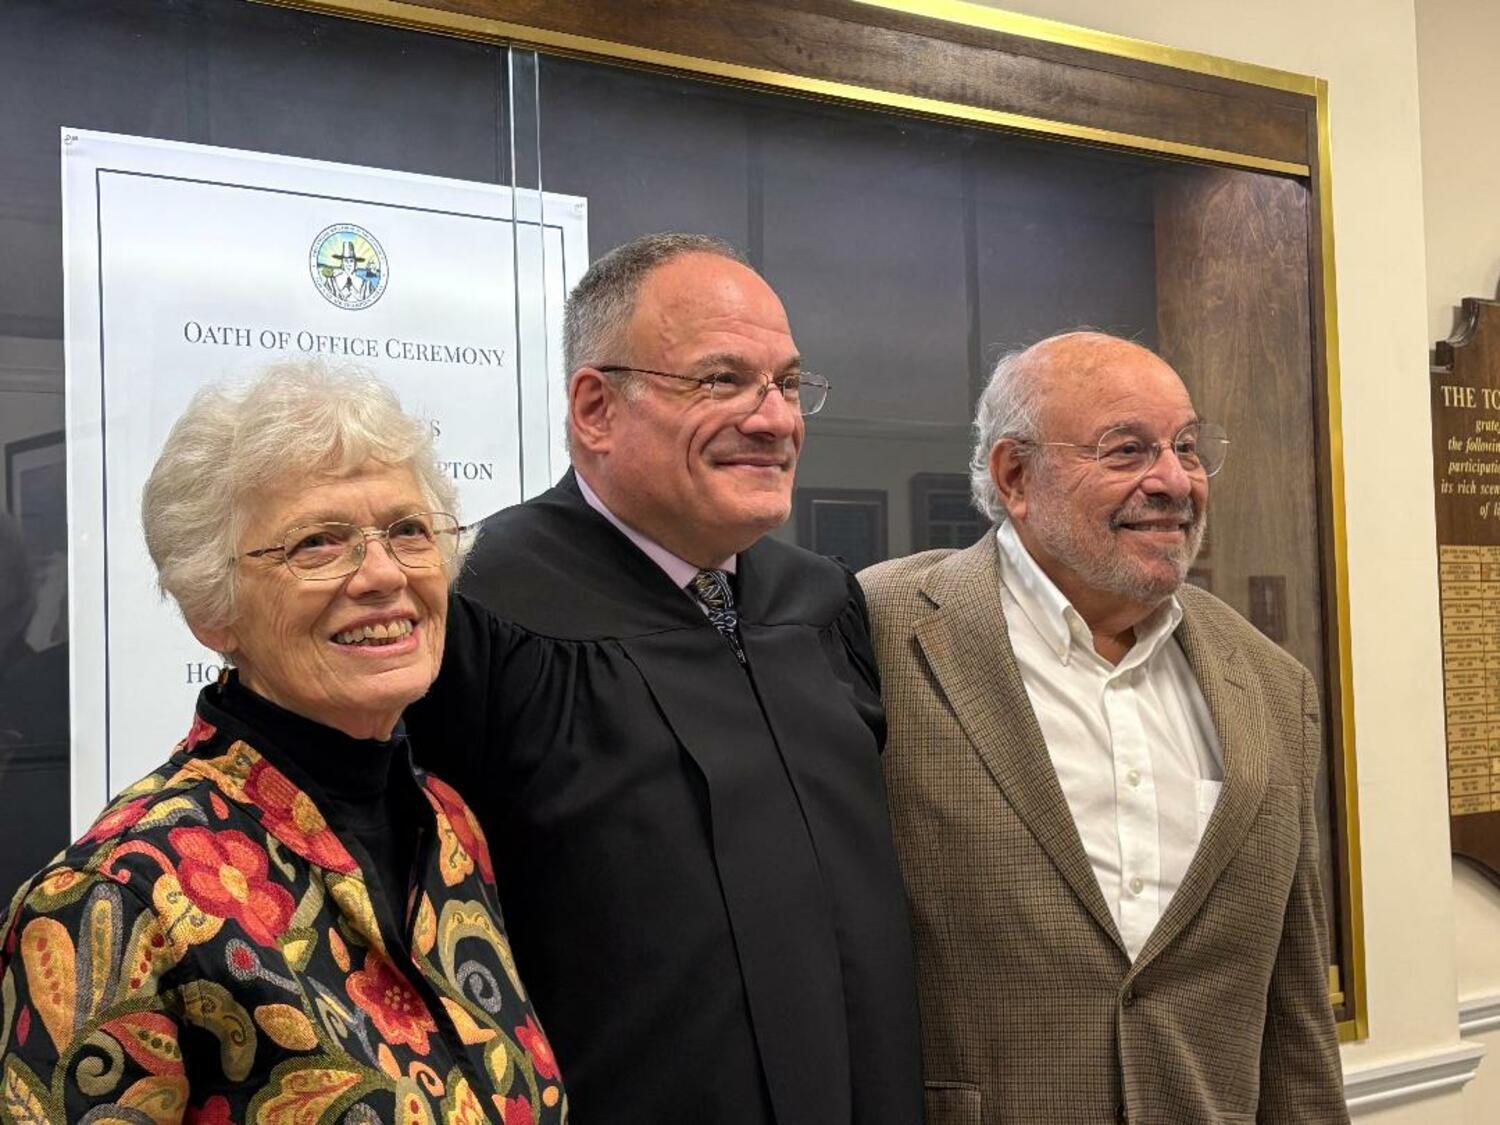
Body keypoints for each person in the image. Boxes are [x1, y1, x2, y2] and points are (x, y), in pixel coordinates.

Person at [407, 233, 922, 1124]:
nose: (775, 419)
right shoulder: (480, 611)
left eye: (789, 383)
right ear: (597, 407)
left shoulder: (821, 601)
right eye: (722, 380)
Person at [0, 364, 566, 1123]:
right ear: (214, 607)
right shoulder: (110, 898)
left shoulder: (448, 825)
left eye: (407, 530)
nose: (383, 573)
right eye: (319, 543)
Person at [860, 331, 1348, 1125]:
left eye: (1186, 447)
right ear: (1015, 475)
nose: (1173, 481)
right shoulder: (881, 632)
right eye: (1127, 450)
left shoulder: (1269, 683)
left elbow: (1294, 1015)